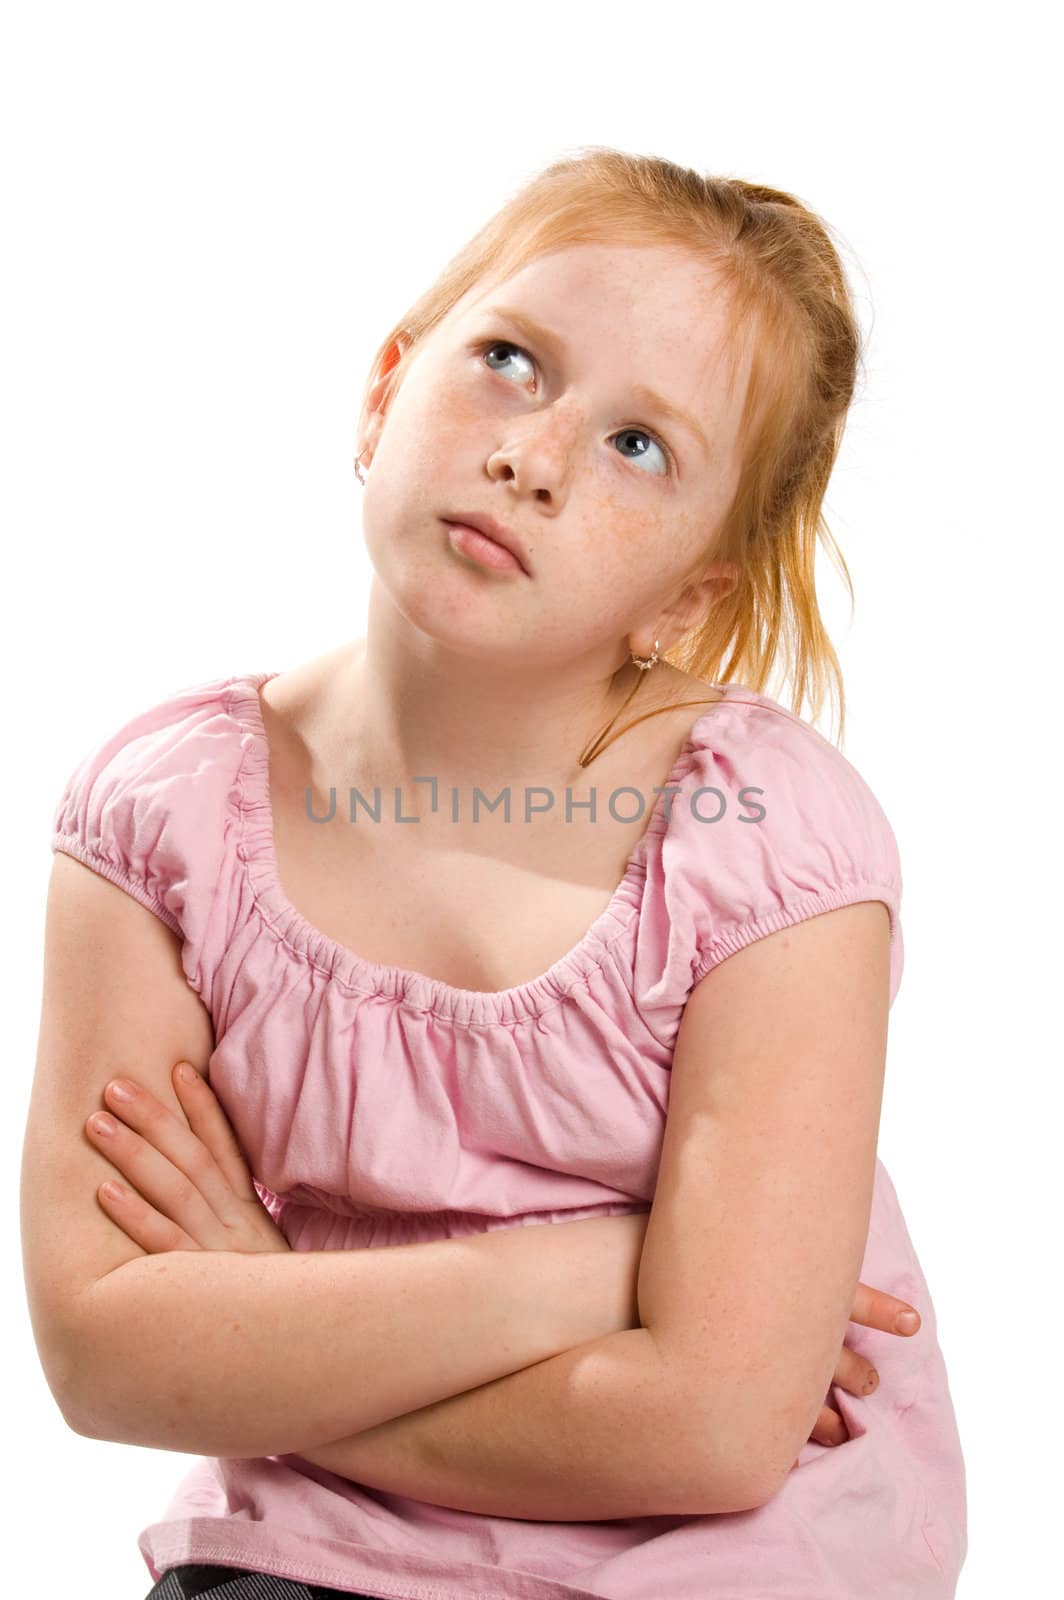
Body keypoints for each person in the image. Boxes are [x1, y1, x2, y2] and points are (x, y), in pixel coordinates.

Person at [23, 146, 967, 1599]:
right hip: (310, 1555)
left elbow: (716, 1430)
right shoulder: (164, 822)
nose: (533, 455)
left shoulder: (764, 841)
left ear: (687, 595)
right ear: (384, 388)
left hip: (718, 1560)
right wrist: (591, 1275)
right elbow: (105, 1358)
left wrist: (271, 1332)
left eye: (638, 446)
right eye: (512, 361)